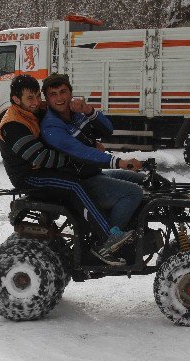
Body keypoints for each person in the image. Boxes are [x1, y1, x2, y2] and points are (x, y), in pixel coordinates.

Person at [0, 75, 138, 266]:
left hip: (45, 170)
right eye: (30, 98)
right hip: (30, 176)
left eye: (38, 97)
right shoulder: (13, 124)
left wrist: (86, 111)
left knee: (134, 180)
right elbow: (41, 157)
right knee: (74, 186)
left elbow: (103, 130)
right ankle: (107, 239)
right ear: (16, 99)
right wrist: (76, 160)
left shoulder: (35, 110)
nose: (37, 102)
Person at [39, 74, 145, 241]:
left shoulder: (77, 114)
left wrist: (88, 110)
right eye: (53, 94)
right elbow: (80, 151)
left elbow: (108, 130)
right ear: (47, 99)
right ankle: (108, 240)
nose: (59, 98)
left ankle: (134, 227)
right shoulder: (51, 125)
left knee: (142, 180)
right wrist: (119, 162)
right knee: (133, 192)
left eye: (63, 92)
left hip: (93, 173)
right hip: (81, 181)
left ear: (71, 93)